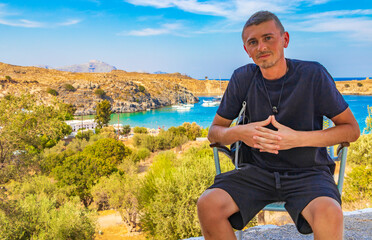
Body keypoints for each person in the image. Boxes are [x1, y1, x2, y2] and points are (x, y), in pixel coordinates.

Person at [197, 10, 360, 240]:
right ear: (247, 50)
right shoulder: (242, 78)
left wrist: (298, 139)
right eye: (253, 42)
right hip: (256, 173)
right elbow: (214, 133)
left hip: (308, 173)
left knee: (330, 213)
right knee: (208, 205)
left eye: (268, 38)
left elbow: (352, 130)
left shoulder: (313, 75)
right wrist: (240, 133)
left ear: (285, 40)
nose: (261, 47)